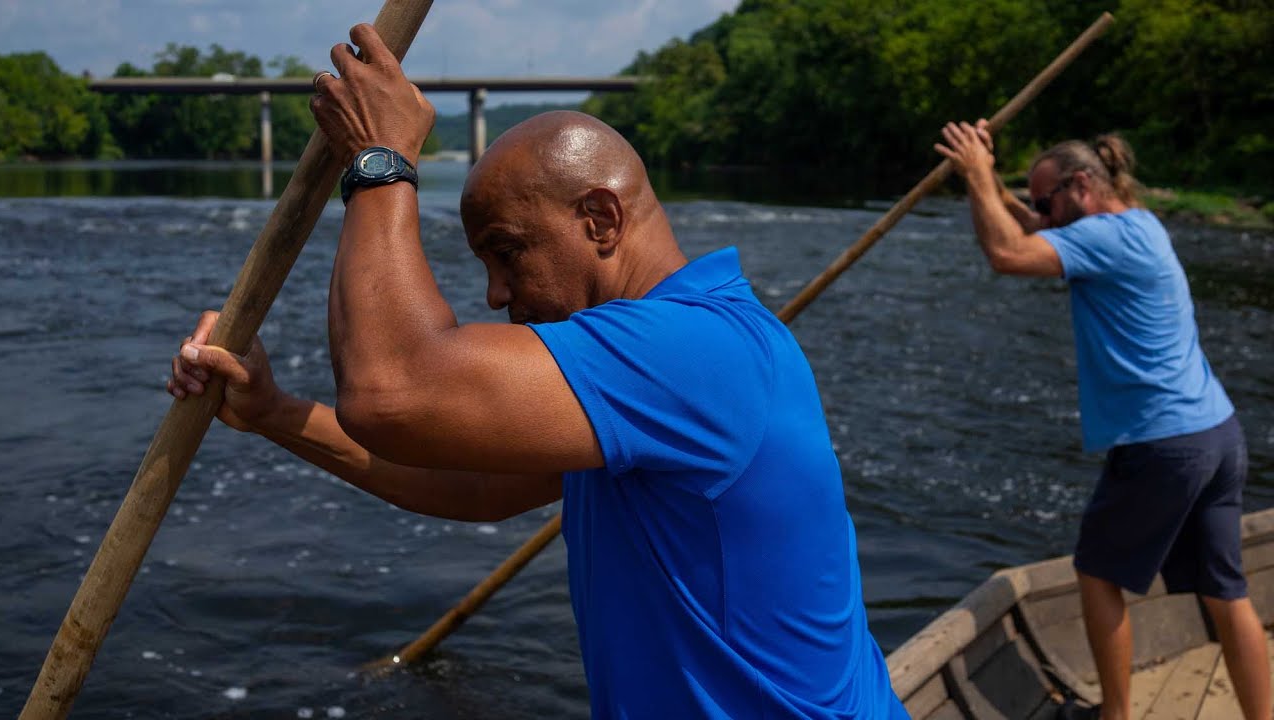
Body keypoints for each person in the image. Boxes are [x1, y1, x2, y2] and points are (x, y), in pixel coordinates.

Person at [168, 23, 906, 719]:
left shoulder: (690, 351)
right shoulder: (665, 363)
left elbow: (391, 389)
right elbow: (474, 484)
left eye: (507, 251)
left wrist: (381, 160)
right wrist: (274, 412)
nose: (494, 294)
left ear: (601, 220)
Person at [935, 120, 1270, 720]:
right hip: (1217, 433)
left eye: (1046, 199)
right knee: (1226, 591)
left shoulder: (1102, 238)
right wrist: (986, 181)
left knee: (1096, 573)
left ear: (1082, 185)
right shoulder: (1136, 226)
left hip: (1164, 442)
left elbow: (1009, 253)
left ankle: (1113, 717)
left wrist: (980, 175)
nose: (1039, 211)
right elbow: (1034, 228)